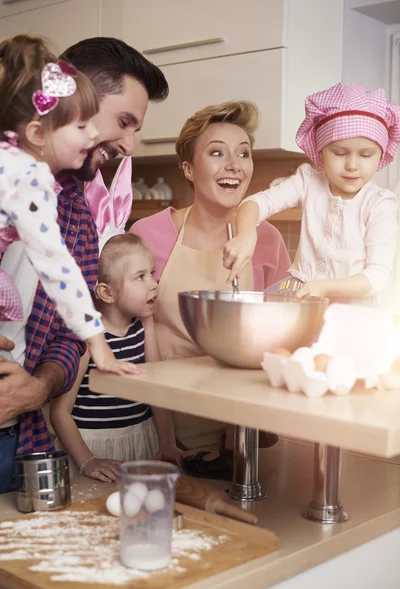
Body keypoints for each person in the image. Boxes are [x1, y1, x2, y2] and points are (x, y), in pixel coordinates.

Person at [0, 36, 169, 492]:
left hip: (18, 440)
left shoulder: (74, 210)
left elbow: (67, 332)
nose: (128, 144)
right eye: (123, 121)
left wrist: (38, 387)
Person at [130, 101, 291, 479]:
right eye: (217, 152)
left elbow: (284, 337)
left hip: (240, 433)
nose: (234, 165)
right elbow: (122, 331)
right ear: (189, 168)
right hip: (159, 428)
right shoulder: (148, 234)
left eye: (243, 154)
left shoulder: (266, 240)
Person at [0, 34, 141, 378]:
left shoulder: (20, 170)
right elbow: (56, 265)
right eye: (81, 125)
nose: (92, 136)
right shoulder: (28, 177)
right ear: (36, 133)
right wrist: (99, 345)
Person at [224, 83, 400, 306]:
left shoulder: (379, 204)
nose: (352, 165)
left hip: (352, 309)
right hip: (301, 296)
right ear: (320, 151)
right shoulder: (307, 182)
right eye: (339, 152)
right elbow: (255, 203)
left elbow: (378, 276)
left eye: (366, 155)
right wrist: (246, 235)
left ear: (381, 155)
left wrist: (323, 287)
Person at [50, 234, 182, 481]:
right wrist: (88, 461)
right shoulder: (88, 337)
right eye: (140, 277)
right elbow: (60, 412)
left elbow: (156, 389)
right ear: (107, 293)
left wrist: (167, 444)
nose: (154, 283)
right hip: (91, 448)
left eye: (152, 273)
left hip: (142, 441)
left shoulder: (144, 324)